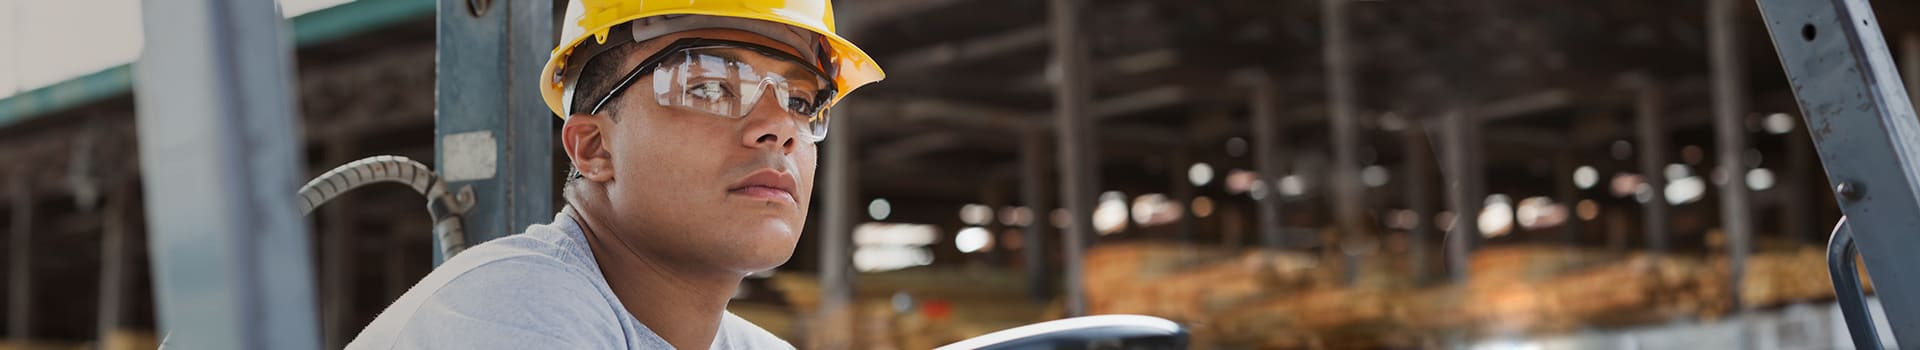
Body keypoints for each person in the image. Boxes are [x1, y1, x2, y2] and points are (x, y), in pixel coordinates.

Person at [347, 0, 883, 348]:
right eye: (711, 86)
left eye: (799, 99)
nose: (780, 129)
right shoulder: (509, 315)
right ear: (593, 148)